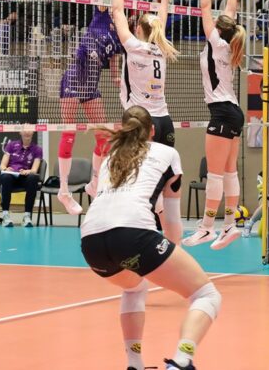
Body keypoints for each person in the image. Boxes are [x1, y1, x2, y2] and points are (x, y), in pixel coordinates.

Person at [80, 106, 218, 370]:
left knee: (134, 288)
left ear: (123, 129)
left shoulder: (110, 157)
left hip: (91, 241)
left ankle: (134, 363)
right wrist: (173, 254)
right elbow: (172, 220)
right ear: (153, 130)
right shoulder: (167, 153)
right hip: (133, 234)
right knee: (206, 295)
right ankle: (181, 360)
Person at [111, 0, 182, 243]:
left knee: (137, 180)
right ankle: (174, 246)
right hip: (164, 121)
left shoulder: (134, 46)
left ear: (138, 30)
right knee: (167, 187)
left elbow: (117, 11)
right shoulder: (160, 47)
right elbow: (160, 20)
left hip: (142, 122)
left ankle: (139, 233)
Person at [182, 0, 247, 250]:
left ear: (218, 31)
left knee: (216, 174)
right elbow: (230, 8)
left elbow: (206, 7)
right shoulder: (230, 41)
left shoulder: (217, 42)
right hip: (233, 111)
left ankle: (207, 228)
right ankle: (230, 224)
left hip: (221, 110)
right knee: (230, 171)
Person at [56, 0, 124, 215]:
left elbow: (114, 58)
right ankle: (63, 190)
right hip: (74, 78)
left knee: (104, 135)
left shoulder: (119, 33)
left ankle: (94, 183)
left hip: (92, 85)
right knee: (69, 132)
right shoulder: (102, 15)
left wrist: (116, 76)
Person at [0, 127, 43, 228]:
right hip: (11, 176)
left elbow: (34, 169)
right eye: (24, 130)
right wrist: (6, 169)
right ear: (20, 132)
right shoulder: (11, 145)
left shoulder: (37, 149)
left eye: (29, 129)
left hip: (25, 177)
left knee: (33, 178)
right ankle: (5, 216)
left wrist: (29, 171)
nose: (27, 132)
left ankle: (27, 216)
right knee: (5, 177)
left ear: (33, 132)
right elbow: (2, 166)